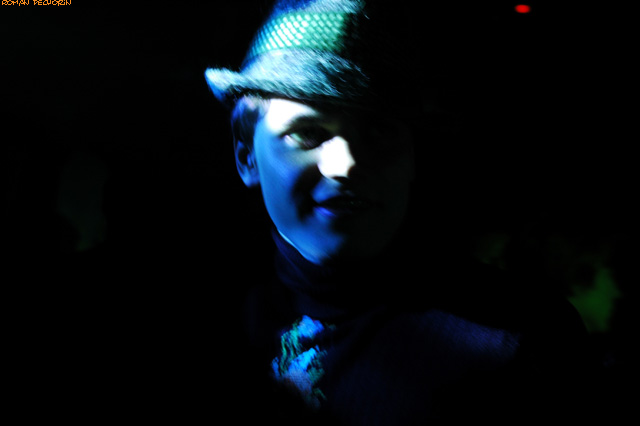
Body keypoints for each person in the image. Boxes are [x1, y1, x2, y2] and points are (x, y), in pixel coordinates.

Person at [204, 1, 595, 424]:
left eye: (377, 131)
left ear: (413, 157)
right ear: (246, 156)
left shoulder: (519, 338)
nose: (345, 164)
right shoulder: (208, 319)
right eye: (308, 133)